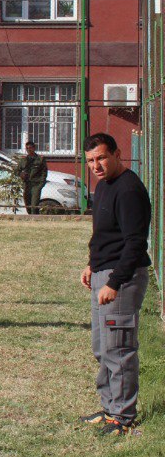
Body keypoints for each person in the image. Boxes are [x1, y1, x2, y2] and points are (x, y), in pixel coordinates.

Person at [79, 132, 152, 437]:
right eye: (91, 161)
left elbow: (135, 244)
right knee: (102, 346)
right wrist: (92, 264)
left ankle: (123, 416)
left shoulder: (129, 189)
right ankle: (109, 408)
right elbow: (107, 234)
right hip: (103, 273)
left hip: (121, 278)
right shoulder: (104, 185)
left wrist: (114, 282)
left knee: (118, 348)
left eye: (101, 158)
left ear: (117, 154)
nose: (96, 166)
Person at [17, 141, 49, 215]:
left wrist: (41, 184)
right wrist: (21, 174)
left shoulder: (40, 159)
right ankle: (32, 216)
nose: (28, 149)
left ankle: (34, 217)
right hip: (27, 184)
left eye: (30, 148)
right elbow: (17, 170)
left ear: (34, 148)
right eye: (27, 148)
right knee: (27, 203)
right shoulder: (23, 160)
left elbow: (44, 172)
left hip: (36, 184)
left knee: (34, 204)